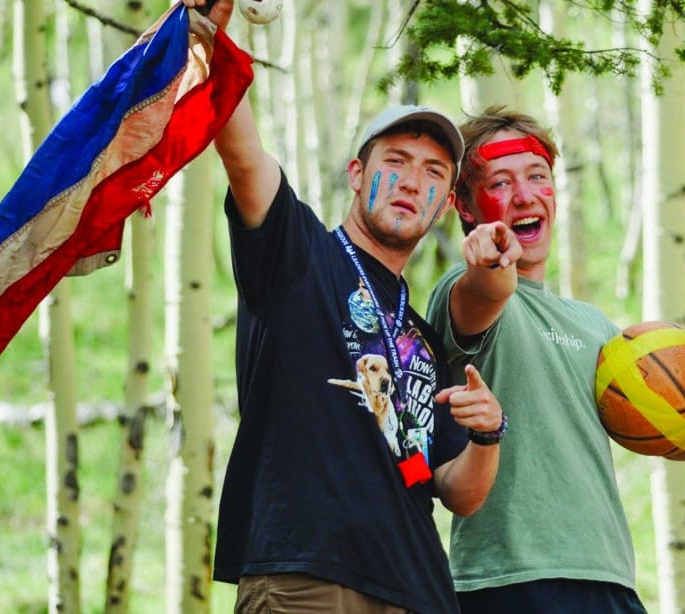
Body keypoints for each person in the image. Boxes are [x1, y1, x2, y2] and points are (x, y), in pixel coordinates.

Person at [180, 2, 506, 612]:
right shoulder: (297, 255)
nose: (413, 181)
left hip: (420, 591)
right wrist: (209, 37)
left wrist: (488, 433)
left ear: (443, 205)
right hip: (308, 578)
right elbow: (244, 155)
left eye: (434, 172)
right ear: (358, 174)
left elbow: (459, 493)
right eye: (396, 162)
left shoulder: (421, 337)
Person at [425, 105, 685, 613]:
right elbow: (487, 289)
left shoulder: (597, 329)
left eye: (537, 176)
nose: (523, 195)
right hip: (509, 582)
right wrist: (490, 260)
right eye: (499, 183)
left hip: (608, 578)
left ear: (554, 193)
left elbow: (679, 440)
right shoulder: (465, 291)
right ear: (467, 209)